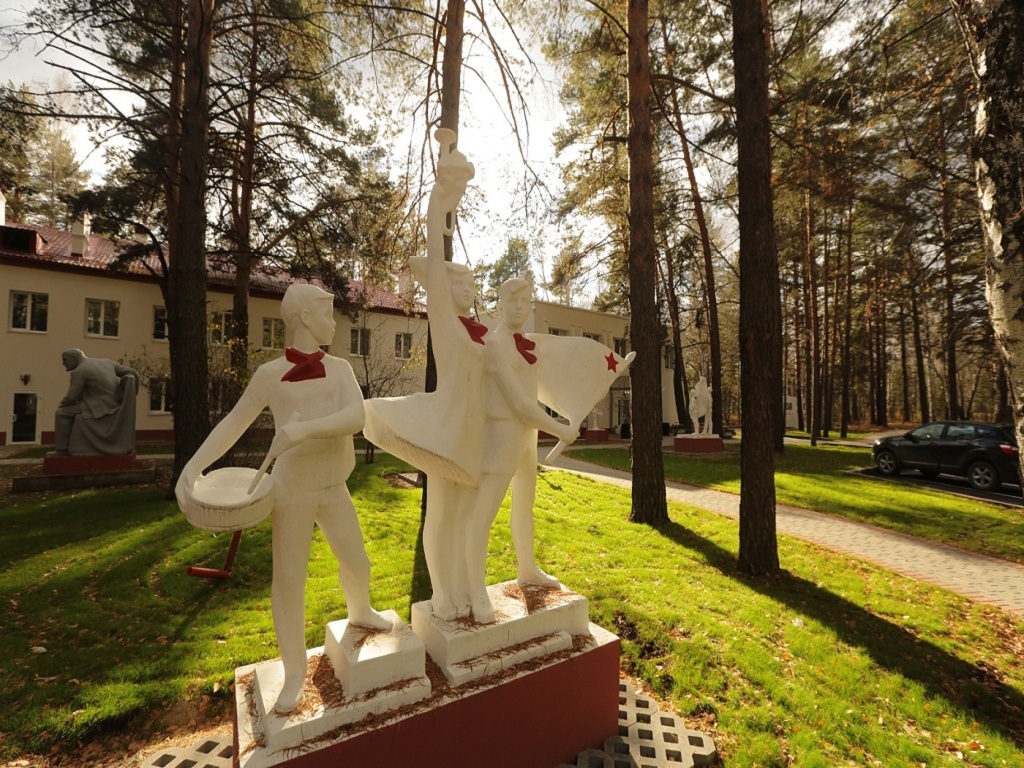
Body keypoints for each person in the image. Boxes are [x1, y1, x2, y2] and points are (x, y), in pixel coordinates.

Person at [176, 283, 390, 714]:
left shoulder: (342, 369)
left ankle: (360, 608)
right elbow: (233, 423)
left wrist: (303, 430)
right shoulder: (270, 375)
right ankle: (294, 671)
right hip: (291, 489)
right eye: (328, 313)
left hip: (333, 484)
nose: (334, 321)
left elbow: (356, 416)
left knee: (357, 561)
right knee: (289, 582)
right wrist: (192, 466)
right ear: (306, 317)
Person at [364, 128, 485, 620]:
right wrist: (441, 196)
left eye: (476, 284)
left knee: (460, 517)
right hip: (443, 425)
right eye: (466, 283)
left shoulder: (482, 333)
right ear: (449, 289)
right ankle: (442, 594)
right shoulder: (450, 325)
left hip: (471, 432)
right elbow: (435, 255)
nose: (473, 289)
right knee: (440, 512)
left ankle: (457, 588)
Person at [463, 277, 578, 623]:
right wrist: (559, 427)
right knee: (483, 515)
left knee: (524, 506)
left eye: (525, 301)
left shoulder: (527, 345)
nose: (519, 307)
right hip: (502, 433)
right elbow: (517, 403)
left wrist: (569, 408)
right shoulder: (495, 344)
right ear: (499, 304)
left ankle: (527, 568)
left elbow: (538, 394)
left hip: (527, 436)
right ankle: (475, 589)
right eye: (512, 301)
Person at [52, 349, 139, 455]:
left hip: (98, 406)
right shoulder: (107, 362)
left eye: (65, 360)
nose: (63, 363)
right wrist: (131, 395)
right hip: (113, 403)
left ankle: (62, 450)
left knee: (61, 414)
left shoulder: (79, 371)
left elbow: (72, 397)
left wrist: (61, 405)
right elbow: (133, 373)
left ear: (74, 358)